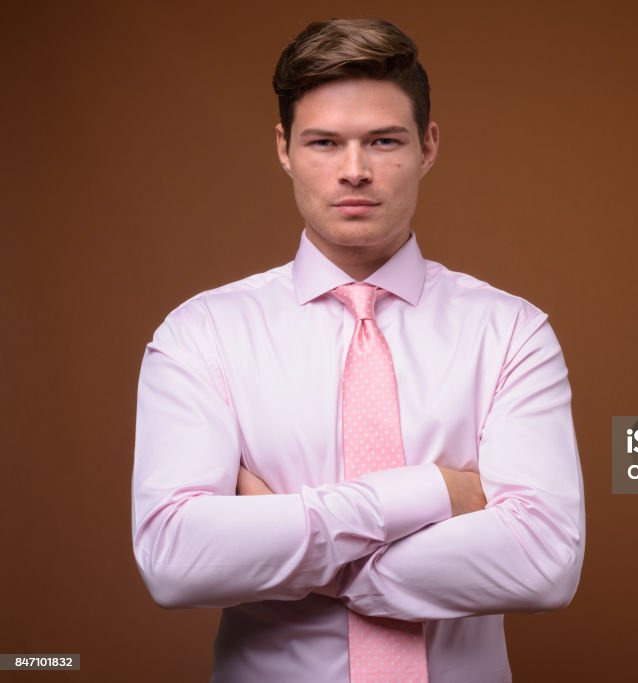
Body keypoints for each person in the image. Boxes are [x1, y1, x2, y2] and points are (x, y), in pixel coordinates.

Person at [130, 17, 585, 683]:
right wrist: (431, 492)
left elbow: (545, 561)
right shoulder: (200, 336)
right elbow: (174, 560)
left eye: (383, 140)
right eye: (324, 142)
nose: (354, 170)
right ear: (284, 148)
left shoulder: (511, 332)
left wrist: (284, 541)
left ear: (428, 145)